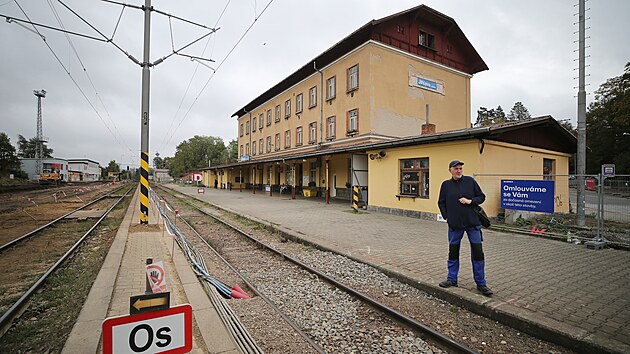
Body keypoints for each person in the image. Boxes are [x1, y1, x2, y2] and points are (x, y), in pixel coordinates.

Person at [437, 160, 493, 296]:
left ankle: (481, 283)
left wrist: (470, 201)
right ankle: (452, 279)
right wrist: (447, 217)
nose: (459, 171)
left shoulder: (470, 181)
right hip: (455, 225)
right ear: (450, 170)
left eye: (460, 168)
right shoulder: (446, 185)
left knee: (478, 253)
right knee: (453, 252)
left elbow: (481, 197)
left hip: (472, 223)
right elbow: (441, 202)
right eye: (456, 168)